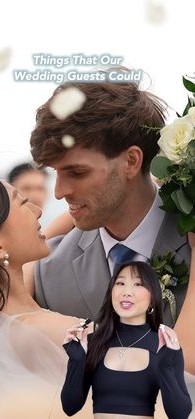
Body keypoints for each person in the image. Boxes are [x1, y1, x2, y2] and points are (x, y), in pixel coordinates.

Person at [29, 81, 190, 328]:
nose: (59, 192)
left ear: (131, 161)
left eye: (77, 172)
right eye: (56, 172)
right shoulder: (48, 274)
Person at [0, 167, 93, 418]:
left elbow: (42, 237)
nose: (38, 210)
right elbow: (180, 362)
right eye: (22, 203)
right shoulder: (57, 333)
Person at [61, 261, 192, 419]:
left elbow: (180, 414)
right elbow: (70, 407)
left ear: (153, 298)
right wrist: (77, 360)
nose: (127, 292)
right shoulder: (92, 342)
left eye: (138, 284)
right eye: (121, 283)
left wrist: (166, 367)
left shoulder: (164, 345)